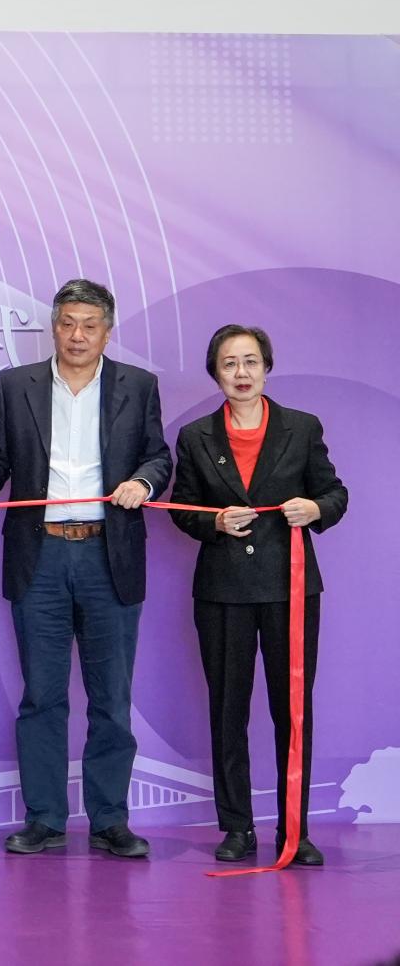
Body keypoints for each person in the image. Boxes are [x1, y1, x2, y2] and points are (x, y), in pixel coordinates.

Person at [0, 279, 170, 858]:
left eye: (90, 325)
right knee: (42, 696)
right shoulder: (16, 384)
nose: (78, 335)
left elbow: (158, 455)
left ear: (107, 331)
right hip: (40, 555)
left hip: (109, 554)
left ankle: (110, 821)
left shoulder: (138, 386)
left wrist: (143, 482)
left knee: (111, 698)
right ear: (53, 326)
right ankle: (45, 819)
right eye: (68, 323)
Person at [168, 324, 346, 867]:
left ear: (267, 367)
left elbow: (334, 493)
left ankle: (295, 831)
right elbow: (182, 508)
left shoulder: (302, 427)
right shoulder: (196, 435)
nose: (241, 373)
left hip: (289, 588)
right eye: (229, 364)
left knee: (293, 711)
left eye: (250, 361)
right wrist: (214, 522)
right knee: (228, 712)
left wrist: (315, 510)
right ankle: (237, 827)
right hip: (222, 592)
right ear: (215, 373)